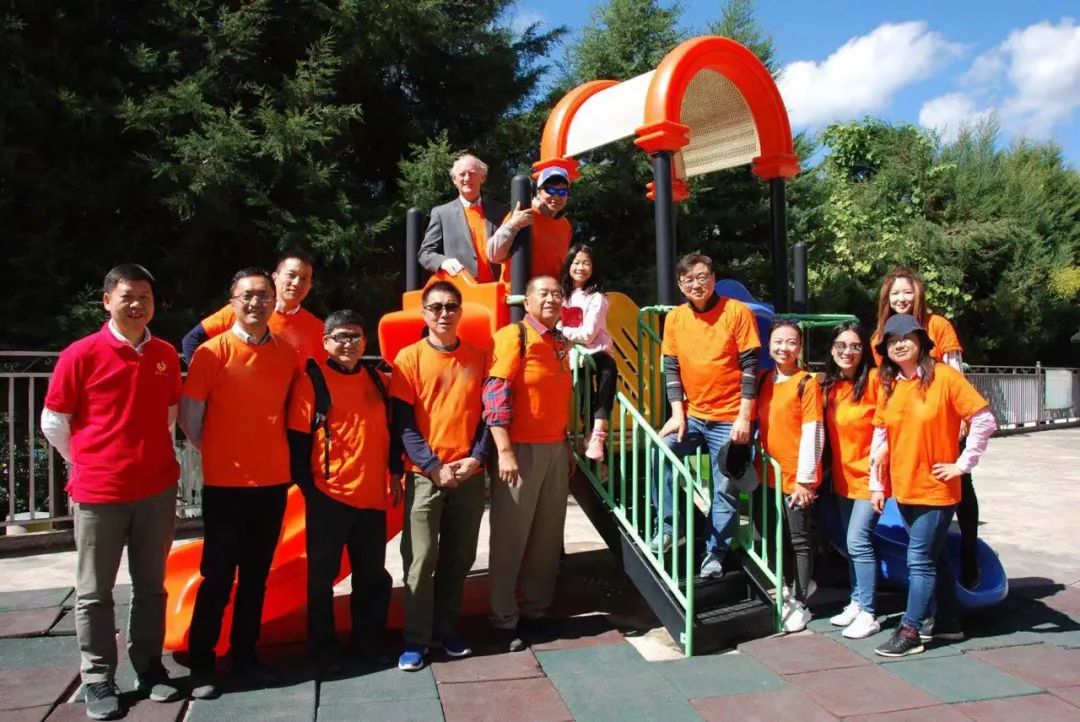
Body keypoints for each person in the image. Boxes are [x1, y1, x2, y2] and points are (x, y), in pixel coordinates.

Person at [41, 264, 183, 720]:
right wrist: (88, 461)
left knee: (151, 586)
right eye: (127, 296)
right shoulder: (80, 354)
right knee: (94, 592)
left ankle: (149, 667)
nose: (137, 304)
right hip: (99, 493)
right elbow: (54, 423)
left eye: (145, 296)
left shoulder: (164, 354)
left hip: (156, 489)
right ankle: (98, 676)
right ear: (107, 301)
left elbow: (169, 414)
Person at [179, 267, 298, 698]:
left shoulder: (286, 354)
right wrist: (223, 450)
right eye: (247, 296)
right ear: (232, 302)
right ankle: (203, 664)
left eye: (263, 296)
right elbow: (191, 422)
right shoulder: (211, 353)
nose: (256, 303)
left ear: (273, 302)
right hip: (226, 485)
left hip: (273, 483)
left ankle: (246, 657)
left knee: (256, 577)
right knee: (216, 577)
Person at [869, 314, 997, 657]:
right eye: (891, 340)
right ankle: (949, 622)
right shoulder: (890, 384)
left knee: (919, 559)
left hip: (936, 489)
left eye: (906, 337)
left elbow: (984, 419)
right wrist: (877, 485)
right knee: (935, 557)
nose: (898, 344)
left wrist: (962, 464)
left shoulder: (945, 377)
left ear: (922, 342)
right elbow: (881, 434)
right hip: (904, 487)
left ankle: (911, 630)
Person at [287, 310, 399, 675]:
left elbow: (392, 432)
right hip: (329, 496)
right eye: (340, 337)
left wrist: (395, 474)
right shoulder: (312, 382)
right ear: (326, 342)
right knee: (322, 579)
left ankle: (367, 643)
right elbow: (297, 445)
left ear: (365, 342)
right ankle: (323, 649)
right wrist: (312, 492)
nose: (348, 344)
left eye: (355, 337)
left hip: (372, 497)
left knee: (372, 576)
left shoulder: (379, 380)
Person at [390, 281, 491, 671]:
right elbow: (403, 423)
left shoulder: (479, 357)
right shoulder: (408, 358)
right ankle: (416, 639)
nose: (443, 313)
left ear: (460, 312)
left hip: (468, 473)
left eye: (451, 306)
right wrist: (433, 467)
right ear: (424, 313)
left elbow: (490, 415)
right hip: (424, 475)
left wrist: (477, 458)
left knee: (459, 556)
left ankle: (447, 629)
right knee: (420, 558)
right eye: (435, 307)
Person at [652, 253, 760, 581]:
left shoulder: (736, 312)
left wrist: (744, 417)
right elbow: (671, 368)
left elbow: (750, 368)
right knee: (660, 450)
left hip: (730, 417)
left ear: (713, 278)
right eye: (688, 280)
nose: (696, 284)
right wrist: (677, 413)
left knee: (725, 485)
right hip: (693, 414)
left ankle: (715, 552)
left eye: (702, 277)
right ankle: (669, 527)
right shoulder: (675, 318)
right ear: (680, 285)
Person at [871, 266, 980, 590]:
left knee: (960, 486)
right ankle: (933, 562)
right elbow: (886, 383)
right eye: (895, 293)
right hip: (905, 423)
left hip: (940, 419)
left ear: (918, 293)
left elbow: (955, 372)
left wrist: (962, 420)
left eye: (908, 291)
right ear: (886, 298)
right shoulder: (880, 336)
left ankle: (969, 555)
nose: (902, 298)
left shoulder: (937, 325)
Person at [482, 275, 573, 652]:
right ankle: (503, 618)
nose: (551, 299)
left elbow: (558, 397)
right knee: (510, 537)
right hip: (519, 450)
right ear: (528, 301)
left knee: (546, 536)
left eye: (557, 294)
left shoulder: (560, 342)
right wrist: (504, 450)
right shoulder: (513, 336)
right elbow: (495, 393)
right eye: (543, 293)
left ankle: (535, 611)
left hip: (554, 448)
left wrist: (566, 445)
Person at [755, 318, 824, 633]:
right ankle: (782, 587)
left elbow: (813, 430)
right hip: (766, 473)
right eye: (778, 341)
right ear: (769, 345)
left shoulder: (806, 382)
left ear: (800, 347)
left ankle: (801, 600)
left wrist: (805, 479)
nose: (784, 348)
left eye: (791, 342)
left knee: (798, 539)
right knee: (771, 534)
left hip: (795, 476)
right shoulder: (762, 380)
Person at [821, 322, 883, 639]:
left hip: (871, 478)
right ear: (832, 350)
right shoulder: (830, 386)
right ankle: (857, 601)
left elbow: (888, 427)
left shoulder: (875, 381)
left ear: (864, 351)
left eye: (855, 346)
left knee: (859, 541)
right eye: (841, 345)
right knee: (850, 543)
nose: (848, 351)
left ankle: (869, 612)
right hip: (843, 478)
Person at [181, 251, 324, 365]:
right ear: (274, 278)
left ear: (310, 286)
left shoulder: (317, 328)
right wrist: (206, 378)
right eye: (291, 275)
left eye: (304, 279)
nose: (297, 283)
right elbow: (192, 340)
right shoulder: (245, 310)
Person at [558, 243, 616, 460]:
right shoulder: (561, 295)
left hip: (596, 352)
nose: (581, 268)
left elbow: (588, 334)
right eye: (576, 262)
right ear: (568, 265)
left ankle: (597, 432)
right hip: (572, 355)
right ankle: (591, 434)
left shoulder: (596, 297)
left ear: (593, 268)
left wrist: (561, 330)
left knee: (608, 369)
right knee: (581, 380)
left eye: (586, 263)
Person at [417, 154, 508, 283]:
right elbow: (425, 253)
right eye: (462, 174)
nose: (467, 178)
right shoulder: (442, 214)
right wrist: (443, 262)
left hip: (498, 288)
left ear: (482, 177)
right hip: (462, 289)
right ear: (454, 180)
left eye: (472, 173)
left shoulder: (500, 211)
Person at [489, 167, 572, 284]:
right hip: (519, 293)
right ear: (538, 191)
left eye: (562, 192)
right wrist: (513, 225)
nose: (557, 197)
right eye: (550, 190)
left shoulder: (565, 225)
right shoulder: (522, 214)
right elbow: (494, 255)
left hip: (550, 292)